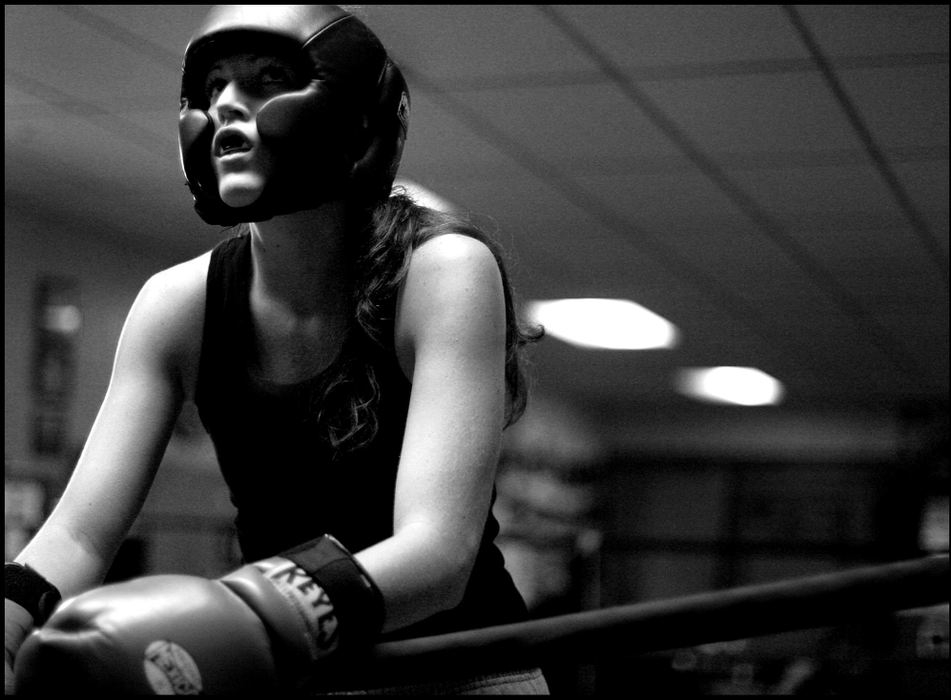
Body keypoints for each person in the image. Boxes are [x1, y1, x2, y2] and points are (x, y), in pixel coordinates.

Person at [5, 5, 548, 695]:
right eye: (214, 89)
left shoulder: (441, 273)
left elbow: (438, 555)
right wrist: (9, 616)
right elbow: (79, 536)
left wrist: (234, 615)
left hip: (459, 671)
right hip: (297, 668)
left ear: (350, 112)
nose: (227, 104)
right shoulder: (178, 305)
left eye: (265, 79)